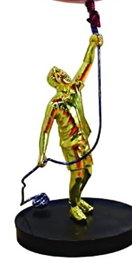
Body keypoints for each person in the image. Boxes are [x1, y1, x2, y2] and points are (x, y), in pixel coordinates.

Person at [38, 33, 103, 222]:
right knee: (78, 174)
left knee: (88, 172)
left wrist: (92, 45)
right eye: (57, 74)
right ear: (55, 82)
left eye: (61, 71)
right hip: (70, 144)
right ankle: (74, 206)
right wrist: (41, 153)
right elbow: (45, 130)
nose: (62, 73)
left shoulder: (75, 88)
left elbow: (86, 64)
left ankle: (76, 198)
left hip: (83, 139)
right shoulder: (54, 104)